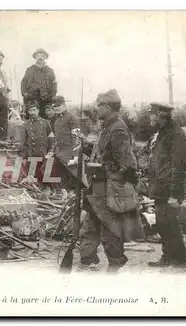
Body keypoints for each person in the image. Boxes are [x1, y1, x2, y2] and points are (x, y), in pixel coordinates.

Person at [79, 89, 144, 272]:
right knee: (90, 225)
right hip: (97, 185)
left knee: (110, 229)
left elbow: (127, 163)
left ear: (107, 107)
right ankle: (87, 260)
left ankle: (115, 264)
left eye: (98, 105)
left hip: (108, 187)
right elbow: (105, 153)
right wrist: (87, 146)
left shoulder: (118, 129)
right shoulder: (108, 126)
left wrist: (115, 181)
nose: (96, 108)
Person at [146, 102, 186, 270]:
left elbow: (179, 167)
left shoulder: (176, 135)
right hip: (160, 189)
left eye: (152, 115)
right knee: (163, 224)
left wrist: (174, 194)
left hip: (169, 190)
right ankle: (168, 257)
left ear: (161, 117)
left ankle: (181, 262)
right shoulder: (162, 134)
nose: (150, 118)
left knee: (170, 224)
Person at [20, 101, 54, 189]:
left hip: (44, 155)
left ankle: (48, 190)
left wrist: (50, 151)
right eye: (30, 111)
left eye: (34, 110)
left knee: (45, 177)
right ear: (28, 112)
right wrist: (23, 157)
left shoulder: (46, 123)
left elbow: (51, 139)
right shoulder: (25, 125)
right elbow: (23, 142)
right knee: (33, 179)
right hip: (31, 155)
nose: (32, 113)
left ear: (38, 110)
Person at [51, 96, 80, 191]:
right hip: (59, 153)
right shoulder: (56, 120)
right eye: (54, 106)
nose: (56, 108)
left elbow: (76, 138)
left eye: (58, 105)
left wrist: (76, 156)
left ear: (64, 105)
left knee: (71, 180)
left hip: (69, 154)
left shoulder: (72, 118)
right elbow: (56, 138)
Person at [21, 48, 57, 119]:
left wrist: (52, 96)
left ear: (45, 57)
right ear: (35, 57)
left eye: (42, 55)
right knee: (32, 119)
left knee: (46, 120)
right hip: (32, 99)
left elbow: (54, 84)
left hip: (46, 100)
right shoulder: (30, 70)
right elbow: (23, 83)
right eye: (38, 55)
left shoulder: (50, 71)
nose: (40, 57)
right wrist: (25, 94)